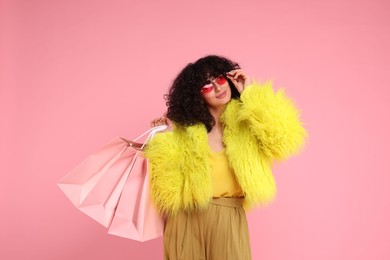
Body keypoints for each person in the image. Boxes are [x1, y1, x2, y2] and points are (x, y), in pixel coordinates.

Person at [145, 55, 307, 260]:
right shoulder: (183, 132)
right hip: (186, 218)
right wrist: (162, 140)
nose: (217, 87)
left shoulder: (248, 122)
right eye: (206, 85)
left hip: (229, 217)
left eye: (219, 79)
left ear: (229, 78)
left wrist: (251, 94)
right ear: (197, 95)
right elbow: (167, 189)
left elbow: (284, 138)